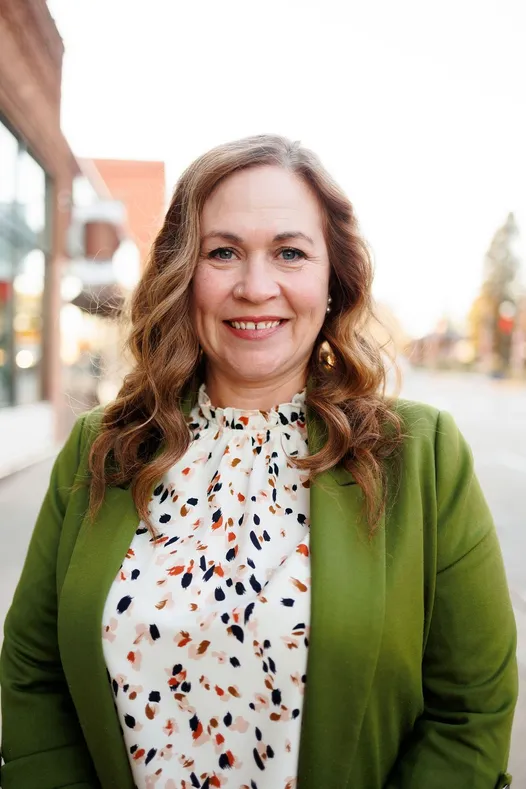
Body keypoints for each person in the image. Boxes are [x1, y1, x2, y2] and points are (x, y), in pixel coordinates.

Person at [0, 134, 518, 789]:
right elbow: (33, 673)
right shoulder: (100, 447)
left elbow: (469, 711)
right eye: (223, 252)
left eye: (290, 252)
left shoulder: (422, 455)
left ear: (333, 280)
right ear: (184, 274)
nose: (255, 285)